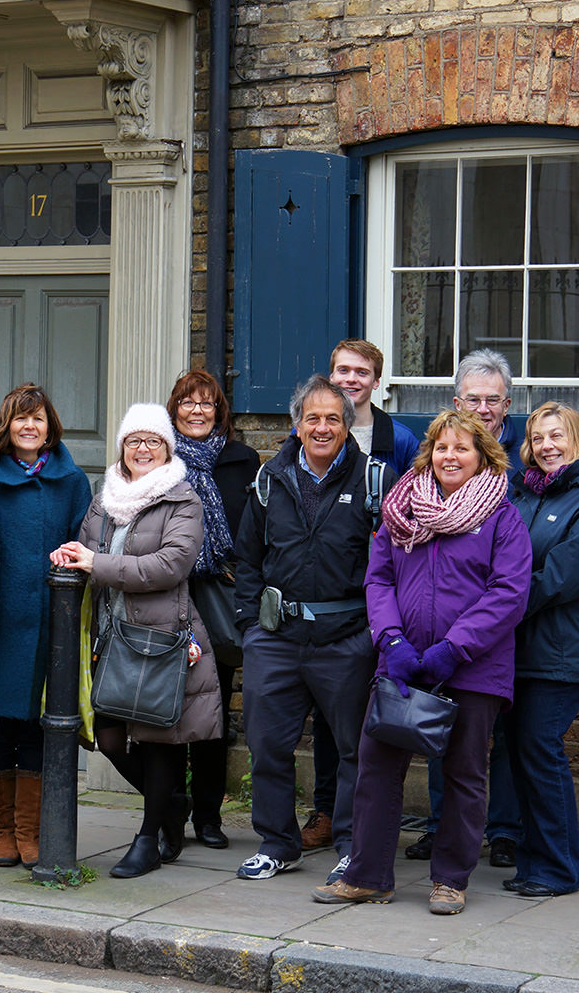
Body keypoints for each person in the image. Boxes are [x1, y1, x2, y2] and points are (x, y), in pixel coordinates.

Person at [314, 409, 530, 914]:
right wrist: (391, 641)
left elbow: (509, 593)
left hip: (473, 669)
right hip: (403, 665)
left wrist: (453, 649)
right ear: (428, 453)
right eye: (441, 447)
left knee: (463, 774)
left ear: (483, 456)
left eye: (461, 448)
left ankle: (450, 880)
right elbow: (379, 579)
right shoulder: (401, 510)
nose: (449, 456)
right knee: (376, 767)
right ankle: (368, 876)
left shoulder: (502, 515)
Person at [50, 404, 223, 879]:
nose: (142, 449)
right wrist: (71, 556)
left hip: (159, 639)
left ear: (166, 448)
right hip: (109, 636)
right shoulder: (104, 498)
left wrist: (96, 564)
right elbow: (88, 547)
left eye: (152, 441)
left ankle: (148, 838)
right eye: (133, 441)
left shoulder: (182, 500)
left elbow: (170, 566)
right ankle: (169, 807)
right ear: (123, 448)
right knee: (108, 738)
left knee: (157, 738)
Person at [233, 376, 394, 883]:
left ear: (347, 426)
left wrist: (372, 633)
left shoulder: (375, 481)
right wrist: (249, 630)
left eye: (332, 419)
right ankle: (279, 844)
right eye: (312, 418)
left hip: (347, 639)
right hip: (276, 639)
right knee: (267, 746)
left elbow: (391, 563)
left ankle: (351, 846)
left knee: (354, 751)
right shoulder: (267, 480)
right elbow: (248, 560)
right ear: (296, 425)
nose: (322, 427)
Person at [403, 348, 524, 868]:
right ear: (457, 401)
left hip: (495, 631)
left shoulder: (524, 457)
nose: (482, 408)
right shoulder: (423, 483)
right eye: (472, 399)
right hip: (433, 638)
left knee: (492, 742)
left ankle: (503, 832)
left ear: (507, 404)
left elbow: (511, 579)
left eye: (492, 399)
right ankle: (438, 827)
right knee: (438, 731)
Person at [302, 340, 420, 852]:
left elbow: (417, 503)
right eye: (342, 371)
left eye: (362, 372)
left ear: (378, 381)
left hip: (381, 593)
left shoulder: (400, 438)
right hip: (328, 598)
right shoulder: (309, 428)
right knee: (330, 718)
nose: (351, 379)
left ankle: (372, 820)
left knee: (376, 715)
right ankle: (326, 812)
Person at [503, 402, 579, 897]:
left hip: (562, 647)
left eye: (558, 435)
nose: (546, 446)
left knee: (540, 747)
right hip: (517, 645)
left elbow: (566, 575)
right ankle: (536, 860)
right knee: (522, 751)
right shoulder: (523, 492)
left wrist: (495, 605)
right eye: (537, 438)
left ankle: (558, 867)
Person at [0, 384, 92, 870]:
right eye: (21, 419)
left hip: (52, 622)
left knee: (41, 727)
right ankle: (4, 832)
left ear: (50, 428)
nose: (29, 427)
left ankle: (31, 830)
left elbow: (84, 542)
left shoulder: (72, 481)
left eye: (38, 419)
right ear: (6, 426)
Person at [169, 369, 260, 850]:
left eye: (206, 403)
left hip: (219, 600)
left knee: (211, 709)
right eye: (188, 402)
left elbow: (256, 530)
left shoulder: (242, 460)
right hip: (168, 598)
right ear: (174, 409)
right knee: (161, 708)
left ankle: (207, 814)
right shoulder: (158, 459)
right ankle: (166, 811)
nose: (197, 411)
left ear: (219, 410)